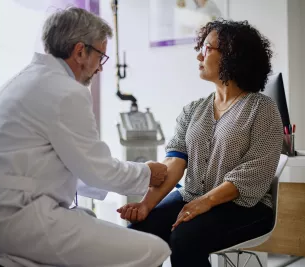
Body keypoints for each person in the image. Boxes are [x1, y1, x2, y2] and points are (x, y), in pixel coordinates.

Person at [0, 7, 171, 267]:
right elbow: (98, 170)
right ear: (80, 51)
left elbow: (65, 167)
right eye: (101, 57)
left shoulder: (22, 80)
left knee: (89, 224)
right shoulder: (66, 91)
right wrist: (148, 173)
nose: (100, 69)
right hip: (13, 220)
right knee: (155, 249)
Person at [118, 19, 283, 267]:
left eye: (207, 49)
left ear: (231, 55)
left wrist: (205, 202)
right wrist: (145, 205)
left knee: (185, 238)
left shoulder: (261, 109)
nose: (198, 56)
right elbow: (174, 162)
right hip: (191, 195)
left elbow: (253, 173)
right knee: (138, 231)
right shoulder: (193, 110)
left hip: (244, 206)